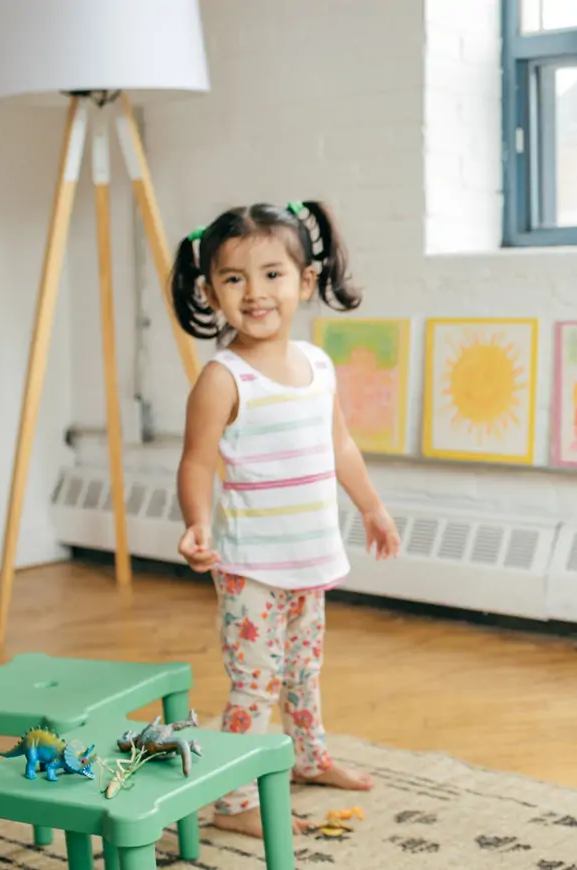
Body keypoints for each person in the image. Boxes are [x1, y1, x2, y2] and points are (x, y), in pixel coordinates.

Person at [171, 200, 402, 837]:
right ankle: (235, 797)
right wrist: (197, 523)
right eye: (234, 278)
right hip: (250, 570)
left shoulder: (317, 365)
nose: (255, 293)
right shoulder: (222, 377)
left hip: (309, 562)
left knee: (303, 671)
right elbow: (196, 462)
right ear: (210, 290)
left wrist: (372, 507)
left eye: (272, 274)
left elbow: (341, 447)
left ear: (304, 281)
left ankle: (308, 758)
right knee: (255, 685)